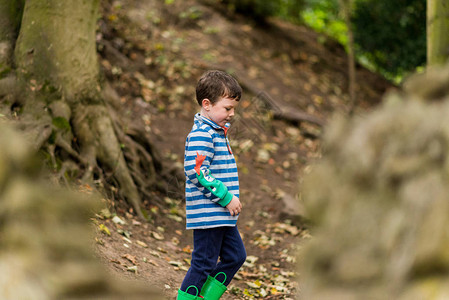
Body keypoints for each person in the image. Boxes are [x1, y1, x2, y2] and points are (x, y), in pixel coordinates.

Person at [177, 70, 247, 300]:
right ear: (207, 104)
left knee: (235, 256)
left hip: (221, 215)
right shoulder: (202, 133)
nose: (232, 114)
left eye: (233, 108)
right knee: (203, 264)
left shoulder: (217, 132)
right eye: (227, 108)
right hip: (209, 215)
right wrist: (227, 197)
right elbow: (196, 171)